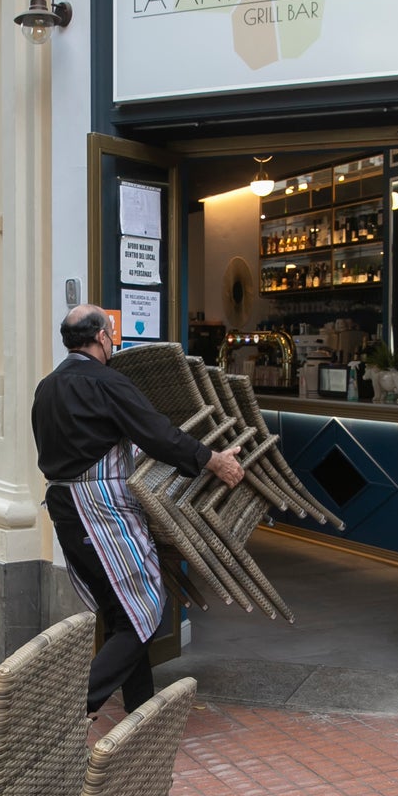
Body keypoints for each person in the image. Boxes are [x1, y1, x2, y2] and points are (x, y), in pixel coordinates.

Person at [32, 305, 244, 717]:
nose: (114, 340)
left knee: (118, 611)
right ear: (99, 338)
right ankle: (72, 709)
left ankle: (140, 712)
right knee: (145, 607)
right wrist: (212, 459)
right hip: (100, 508)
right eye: (111, 333)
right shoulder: (107, 382)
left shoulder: (47, 386)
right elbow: (158, 434)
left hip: (61, 504)